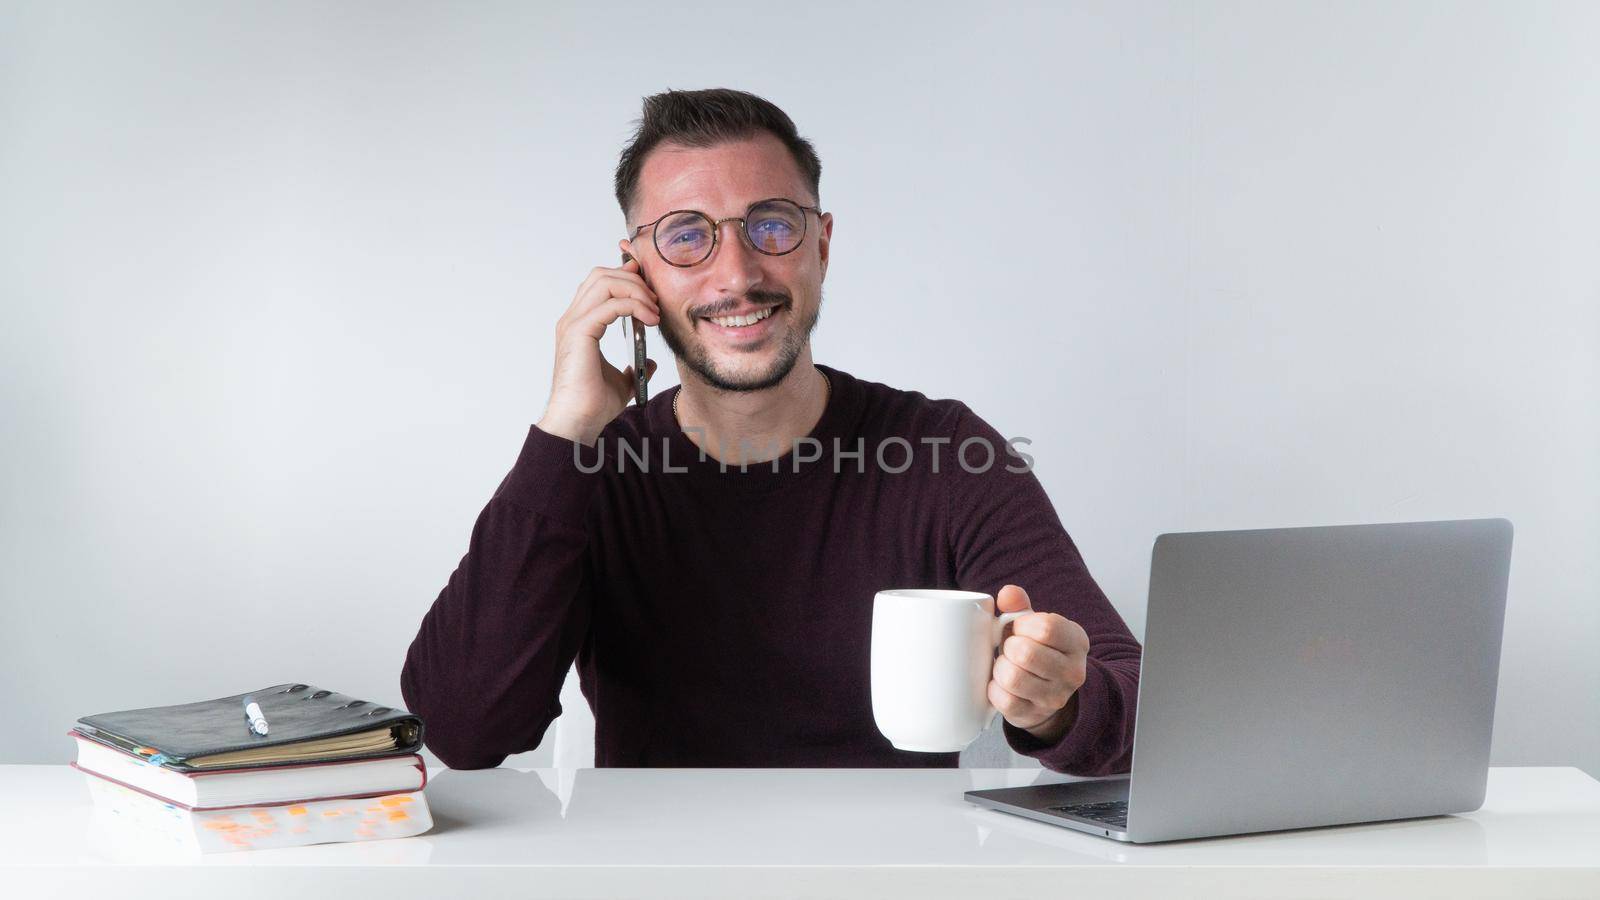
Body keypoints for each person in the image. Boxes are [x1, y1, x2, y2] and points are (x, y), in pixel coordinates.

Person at [400, 88, 1141, 774]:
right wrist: (564, 431)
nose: (736, 273)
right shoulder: (595, 472)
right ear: (635, 273)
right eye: (686, 236)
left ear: (822, 244)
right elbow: (461, 728)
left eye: (772, 226)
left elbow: (1137, 700)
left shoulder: (944, 454)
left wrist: (1061, 702)